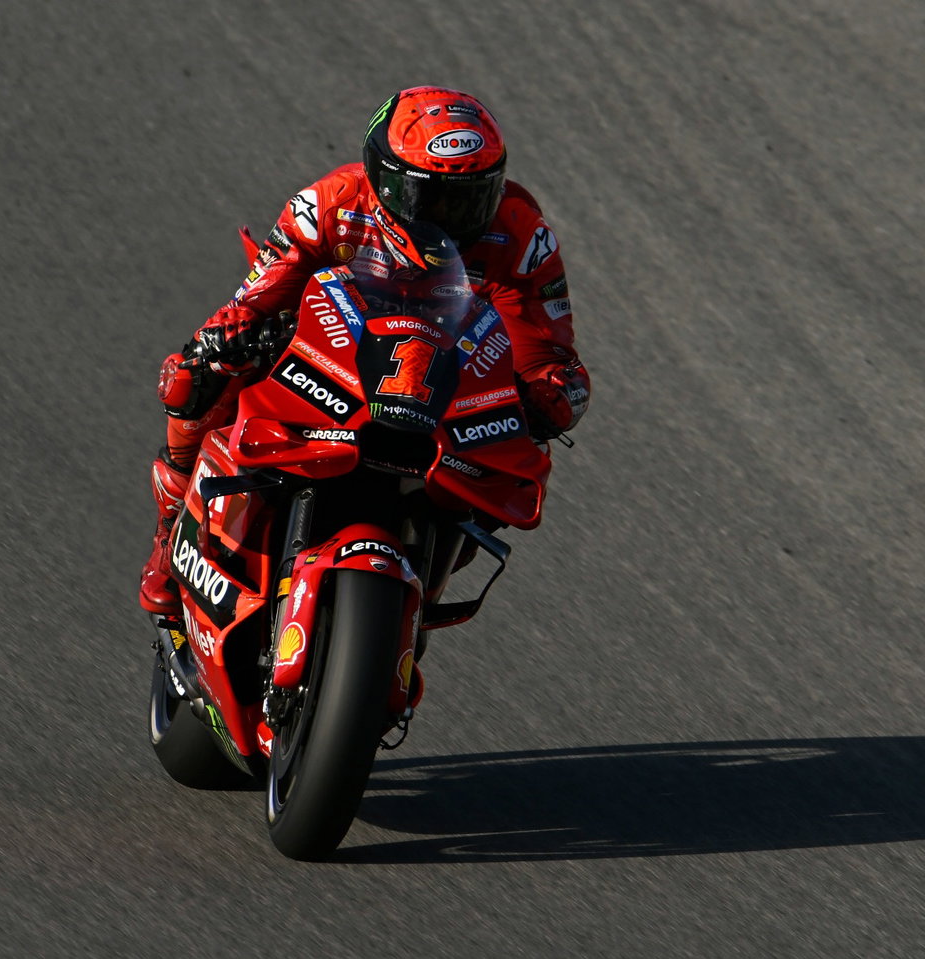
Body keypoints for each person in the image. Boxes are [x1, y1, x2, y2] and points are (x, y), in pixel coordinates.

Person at [140, 86, 591, 615]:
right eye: (432, 198)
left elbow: (549, 356)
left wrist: (552, 393)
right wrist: (232, 334)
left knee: (517, 455)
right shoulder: (329, 204)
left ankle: (423, 574)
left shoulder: (522, 234)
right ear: (386, 180)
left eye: (472, 198)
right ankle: (168, 536)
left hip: (438, 383)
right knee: (193, 376)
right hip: (331, 359)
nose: (450, 217)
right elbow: (255, 300)